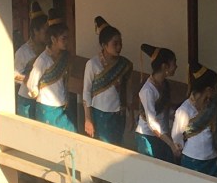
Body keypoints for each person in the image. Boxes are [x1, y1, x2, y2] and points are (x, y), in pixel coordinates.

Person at [82, 16, 131, 145]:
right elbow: (86, 92)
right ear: (104, 45)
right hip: (100, 114)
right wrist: (88, 119)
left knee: (117, 146)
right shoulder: (93, 64)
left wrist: (130, 114)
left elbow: (127, 90)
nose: (119, 47)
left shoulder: (124, 65)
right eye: (115, 44)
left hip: (118, 114)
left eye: (120, 43)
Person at [173, 63, 217, 178]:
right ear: (208, 90)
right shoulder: (184, 110)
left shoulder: (211, 105)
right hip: (194, 159)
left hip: (214, 156)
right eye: (216, 87)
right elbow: (177, 137)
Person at [26, 9, 75, 131]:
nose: (67, 41)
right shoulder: (43, 60)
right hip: (47, 109)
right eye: (63, 38)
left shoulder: (65, 57)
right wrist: (38, 94)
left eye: (67, 38)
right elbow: (31, 84)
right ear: (53, 39)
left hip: (62, 106)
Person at [134, 43, 181, 161]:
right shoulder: (148, 91)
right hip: (148, 137)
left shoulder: (164, 84)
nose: (176, 66)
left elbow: (166, 111)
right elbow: (152, 122)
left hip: (163, 136)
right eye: (174, 63)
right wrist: (171, 144)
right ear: (165, 66)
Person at [14, 1, 49, 119]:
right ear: (35, 31)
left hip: (44, 100)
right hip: (27, 99)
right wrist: (30, 80)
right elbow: (14, 75)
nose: (48, 34)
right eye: (45, 30)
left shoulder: (48, 50)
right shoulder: (23, 52)